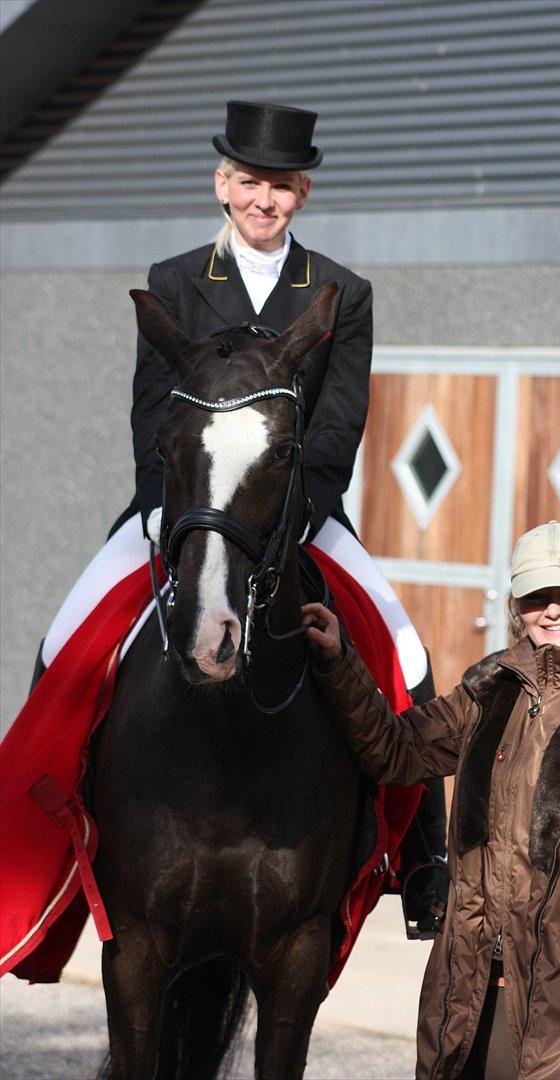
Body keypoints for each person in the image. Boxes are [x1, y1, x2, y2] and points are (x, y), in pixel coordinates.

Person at [32, 100, 447, 922]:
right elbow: (153, 415)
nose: (266, 199)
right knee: (61, 642)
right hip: (180, 505)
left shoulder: (343, 292)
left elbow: (339, 426)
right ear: (223, 184)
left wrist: (291, 518)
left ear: (303, 194)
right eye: (251, 181)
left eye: (283, 185)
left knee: (409, 652)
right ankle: (48, 843)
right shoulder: (177, 281)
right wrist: (182, 514)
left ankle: (422, 862)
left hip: (296, 508)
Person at [302, 520, 560, 1079]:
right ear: (517, 604)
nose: (555, 609)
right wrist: (337, 661)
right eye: (538, 595)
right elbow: (395, 751)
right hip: (473, 1002)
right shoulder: (491, 690)